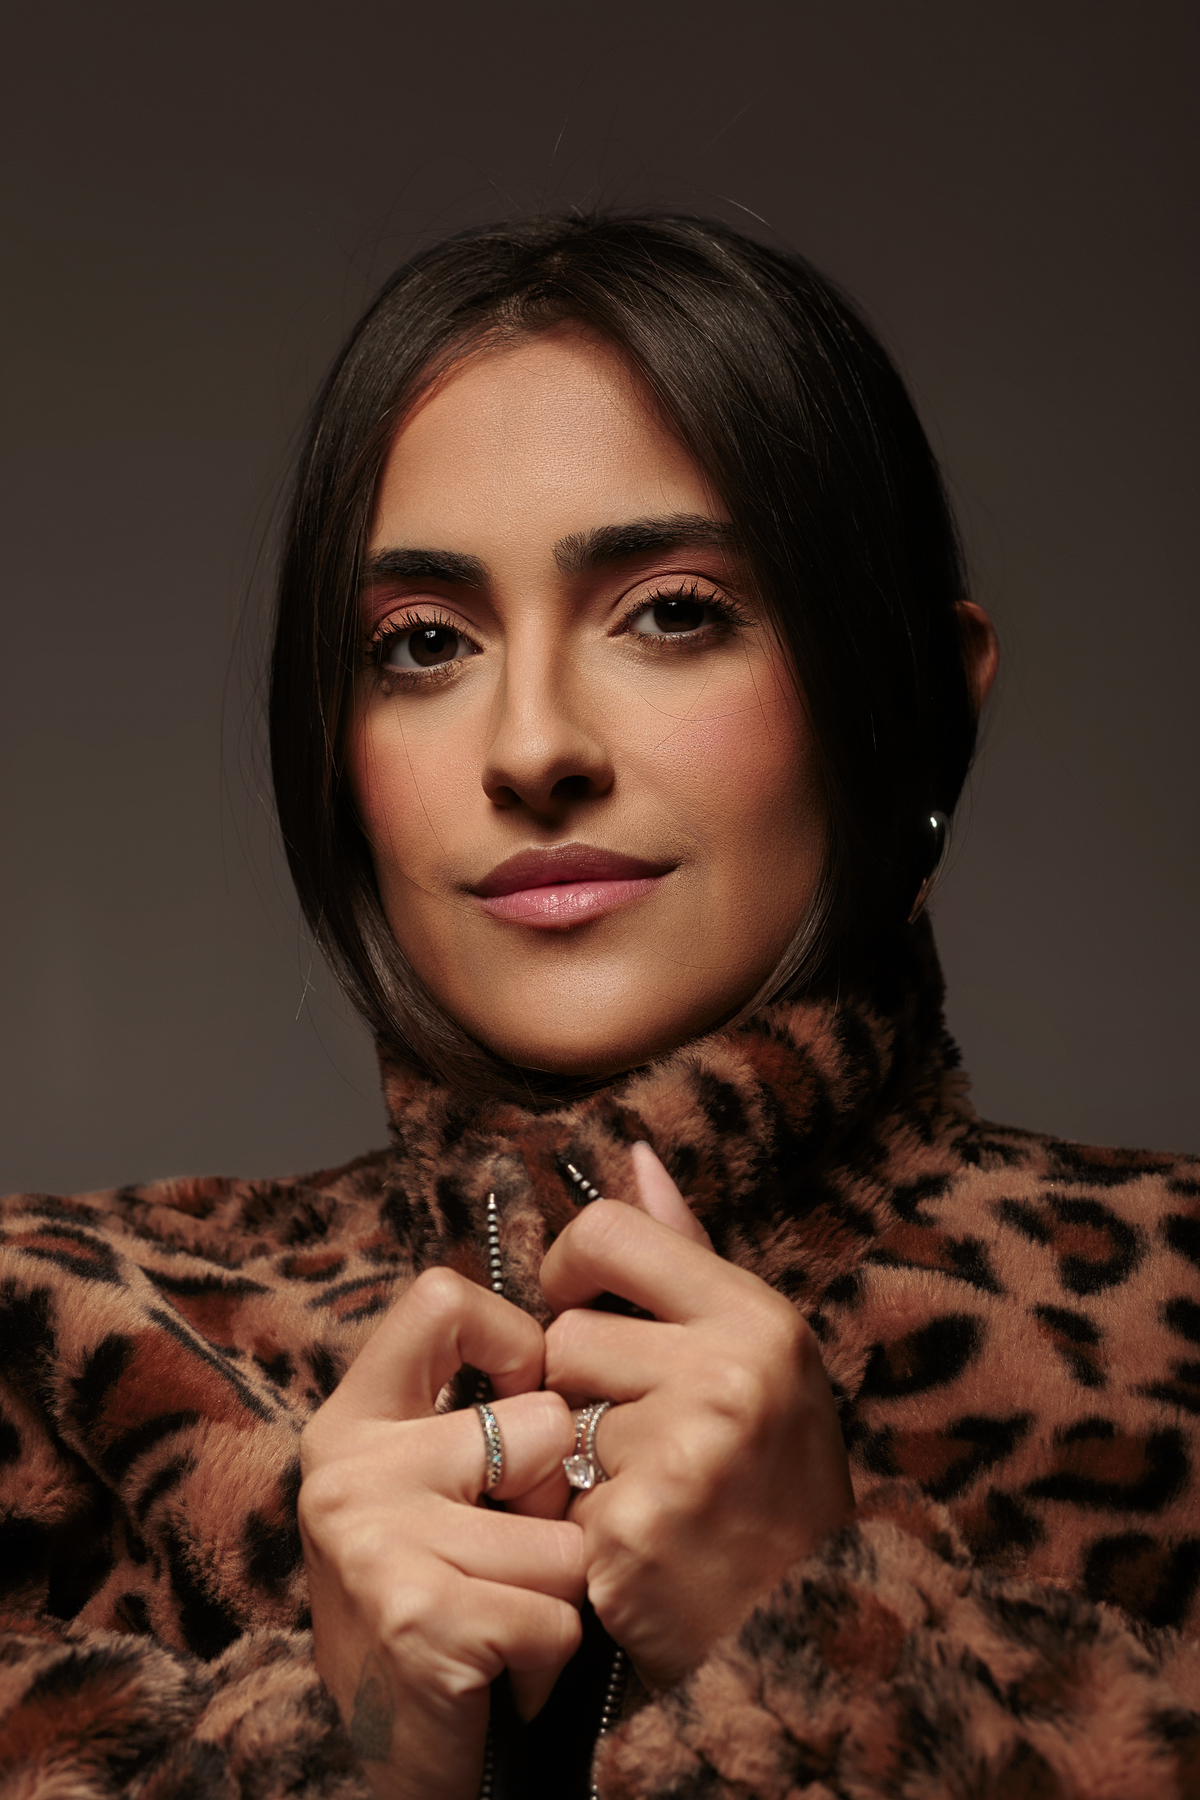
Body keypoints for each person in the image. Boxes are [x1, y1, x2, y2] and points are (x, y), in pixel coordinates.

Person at [1, 213, 1197, 1800]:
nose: (533, 748)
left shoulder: (1168, 1327)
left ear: (918, 699)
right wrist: (357, 1756)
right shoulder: (57, 1353)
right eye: (424, 644)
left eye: (673, 612)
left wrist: (835, 1648)